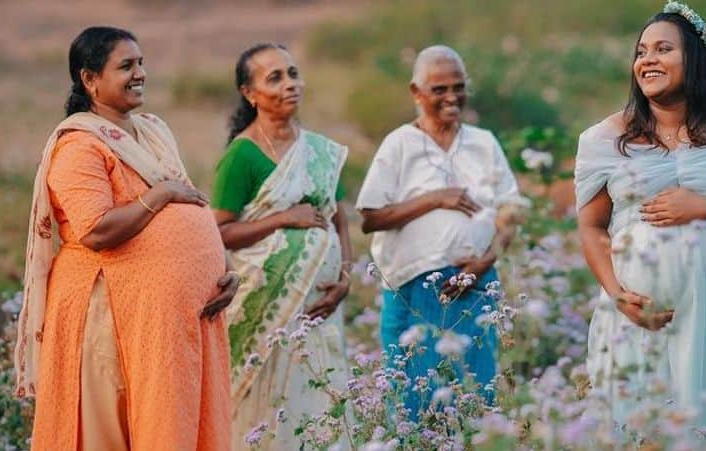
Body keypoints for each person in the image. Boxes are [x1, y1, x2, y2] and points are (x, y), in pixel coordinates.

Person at [15, 26, 238, 450]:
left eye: (141, 64)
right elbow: (96, 230)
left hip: (173, 317)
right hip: (109, 313)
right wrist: (160, 195)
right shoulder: (79, 145)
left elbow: (191, 202)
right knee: (114, 431)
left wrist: (223, 267)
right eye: (126, 66)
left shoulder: (152, 131)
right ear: (90, 79)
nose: (140, 74)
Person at [575, 2, 706, 444]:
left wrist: (704, 208)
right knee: (641, 428)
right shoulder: (603, 140)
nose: (647, 60)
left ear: (694, 58)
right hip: (638, 316)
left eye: (662, 49)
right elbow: (593, 227)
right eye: (641, 51)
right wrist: (619, 297)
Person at [356, 45, 527, 418]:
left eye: (459, 87)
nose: (452, 97)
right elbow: (370, 218)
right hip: (414, 290)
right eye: (439, 89)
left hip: (476, 284)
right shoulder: (400, 144)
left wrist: (481, 265)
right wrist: (435, 198)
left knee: (475, 398)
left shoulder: (484, 143)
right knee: (414, 406)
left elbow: (510, 212)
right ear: (416, 93)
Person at [212, 43, 352, 450]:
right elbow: (218, 231)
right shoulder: (242, 155)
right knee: (268, 418)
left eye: (292, 73)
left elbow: (340, 222)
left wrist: (343, 281)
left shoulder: (319, 152)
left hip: (319, 311)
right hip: (264, 315)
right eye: (275, 77)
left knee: (321, 407)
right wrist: (284, 218)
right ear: (249, 93)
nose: (290, 84)